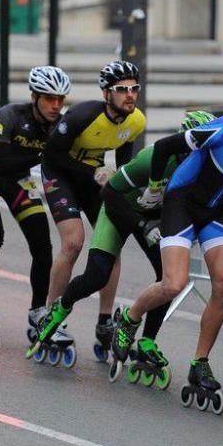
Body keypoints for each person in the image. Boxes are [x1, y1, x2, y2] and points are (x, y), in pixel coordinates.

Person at [113, 71, 223, 415]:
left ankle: (200, 362)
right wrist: (156, 187)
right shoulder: (219, 130)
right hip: (181, 201)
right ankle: (130, 318)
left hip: (217, 208)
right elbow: (164, 148)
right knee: (173, 283)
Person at [29, 110, 218, 378]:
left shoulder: (205, 169)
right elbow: (109, 192)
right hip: (119, 210)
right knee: (97, 276)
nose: (205, 155)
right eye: (199, 147)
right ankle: (59, 309)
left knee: (169, 280)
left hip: (153, 219)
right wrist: (142, 225)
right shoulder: (154, 158)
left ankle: (147, 341)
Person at [0, 66, 71, 353]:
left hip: (19, 182)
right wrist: (42, 154)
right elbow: (0, 163)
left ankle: (38, 311)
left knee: (42, 245)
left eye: (60, 99)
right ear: (34, 96)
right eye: (49, 98)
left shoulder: (59, 126)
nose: (56, 105)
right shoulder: (11, 115)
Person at [41, 61, 145, 354]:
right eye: (122, 89)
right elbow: (51, 156)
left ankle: (104, 321)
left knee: (110, 244)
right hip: (61, 173)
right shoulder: (81, 116)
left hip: (91, 178)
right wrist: (93, 174)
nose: (130, 95)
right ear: (105, 93)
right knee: (73, 242)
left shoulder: (135, 121)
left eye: (134, 88)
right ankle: (51, 314)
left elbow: (125, 163)